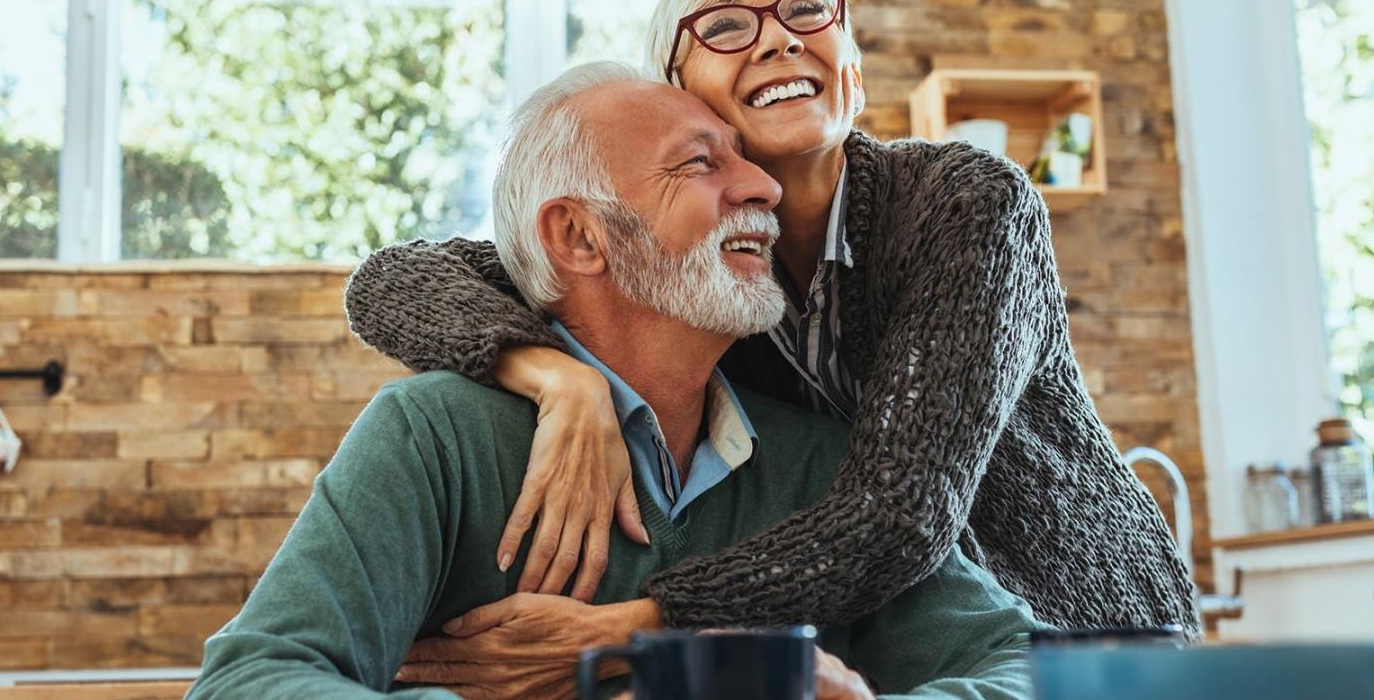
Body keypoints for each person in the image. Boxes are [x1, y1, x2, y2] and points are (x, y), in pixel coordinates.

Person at [344, 0, 1198, 646]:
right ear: (681, 97)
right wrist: (553, 375)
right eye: (723, 23)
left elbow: (899, 515)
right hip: (906, 647)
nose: (780, 37)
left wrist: (630, 628)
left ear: (852, 72)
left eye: (804, 10)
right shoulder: (693, 268)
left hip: (1085, 629)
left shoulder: (967, 204)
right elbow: (392, 279)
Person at [187, 62, 1041, 700]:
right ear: (581, 239)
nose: (763, 187)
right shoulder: (434, 435)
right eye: (702, 164)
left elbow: (1026, 671)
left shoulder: (821, 465)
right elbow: (250, 680)